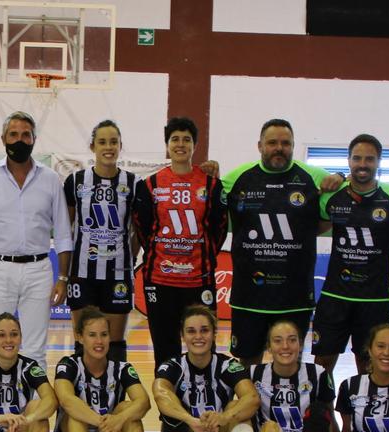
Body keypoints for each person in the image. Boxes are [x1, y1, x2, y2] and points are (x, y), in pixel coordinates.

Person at [221, 119, 344, 366]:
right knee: (247, 363)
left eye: (286, 143)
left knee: (290, 363)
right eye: (272, 142)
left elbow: (355, 189)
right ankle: (249, 406)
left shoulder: (311, 176)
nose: (279, 148)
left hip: (294, 296)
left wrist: (341, 176)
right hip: (249, 295)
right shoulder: (237, 179)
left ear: (293, 146)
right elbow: (206, 194)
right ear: (260, 146)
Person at [0, 111, 72, 369]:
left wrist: (63, 278)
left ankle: (36, 408)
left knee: (35, 349)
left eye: (26, 135)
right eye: (14, 135)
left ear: (34, 139)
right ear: (3, 139)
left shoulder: (50, 180)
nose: (19, 140)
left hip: (39, 269)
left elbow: (64, 235)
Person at [314, 134, 389, 374]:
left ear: (379, 161)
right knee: (323, 365)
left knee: (370, 367)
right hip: (335, 295)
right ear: (349, 160)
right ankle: (324, 412)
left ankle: (364, 410)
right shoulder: (331, 196)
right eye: (357, 158)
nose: (363, 164)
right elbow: (311, 230)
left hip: (375, 299)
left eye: (369, 159)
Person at [132, 117, 227, 366]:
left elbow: (220, 229)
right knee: (165, 350)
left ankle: (205, 402)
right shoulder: (150, 185)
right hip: (160, 281)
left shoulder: (211, 184)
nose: (180, 144)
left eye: (187, 139)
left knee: (204, 348)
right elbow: (142, 229)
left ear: (195, 145)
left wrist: (202, 257)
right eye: (175, 139)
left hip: (199, 280)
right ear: (167, 145)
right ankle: (168, 405)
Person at [152, 305, 259, 432]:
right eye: (191, 331)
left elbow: (252, 398)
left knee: (238, 407)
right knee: (172, 410)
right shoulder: (173, 365)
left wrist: (224, 417)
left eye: (204, 330)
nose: (198, 337)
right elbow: (160, 393)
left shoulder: (228, 365)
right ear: (183, 336)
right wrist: (190, 420)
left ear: (214, 334)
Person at [54, 306, 153, 432]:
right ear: (80, 337)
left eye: (104, 334)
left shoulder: (122, 368)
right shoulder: (68, 364)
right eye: (92, 335)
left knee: (128, 408)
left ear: (110, 337)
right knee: (75, 411)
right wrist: (104, 423)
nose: (99, 341)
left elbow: (144, 402)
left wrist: (119, 419)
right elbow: (66, 400)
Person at [62, 120, 140, 361]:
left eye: (114, 142)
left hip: (118, 275)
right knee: (84, 341)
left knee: (114, 345)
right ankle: (79, 396)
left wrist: (129, 258)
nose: (109, 147)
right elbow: (66, 230)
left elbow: (138, 231)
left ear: (120, 146)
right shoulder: (75, 181)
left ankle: (114, 397)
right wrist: (63, 275)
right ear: (92, 146)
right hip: (82, 274)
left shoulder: (133, 183)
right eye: (103, 142)